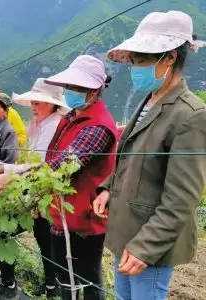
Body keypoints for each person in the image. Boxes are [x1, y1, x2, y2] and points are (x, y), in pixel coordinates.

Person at [92, 11, 206, 300]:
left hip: (150, 243)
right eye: (133, 59)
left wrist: (145, 246)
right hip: (126, 233)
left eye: (142, 59)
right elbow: (131, 159)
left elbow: (182, 197)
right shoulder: (150, 101)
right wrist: (108, 188)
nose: (134, 67)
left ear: (169, 58)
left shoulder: (190, 115)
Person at [0, 55, 118, 300]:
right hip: (61, 212)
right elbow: (49, 161)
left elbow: (61, 166)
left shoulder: (98, 126)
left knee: (88, 281)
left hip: (84, 218)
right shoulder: (71, 118)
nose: (71, 91)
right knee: (65, 278)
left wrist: (16, 177)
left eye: (79, 88)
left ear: (95, 91)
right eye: (69, 86)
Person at [0, 78, 70, 298]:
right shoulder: (43, 124)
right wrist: (8, 169)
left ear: (53, 103)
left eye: (39, 102)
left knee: (43, 242)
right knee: (45, 243)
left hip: (45, 196)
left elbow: (42, 166)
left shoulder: (53, 126)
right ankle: (50, 287)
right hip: (38, 194)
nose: (33, 106)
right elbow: (33, 163)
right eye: (33, 101)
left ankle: (22, 285)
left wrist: (11, 176)